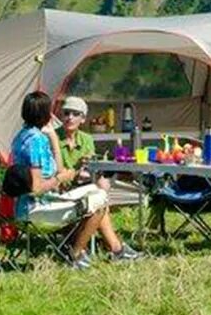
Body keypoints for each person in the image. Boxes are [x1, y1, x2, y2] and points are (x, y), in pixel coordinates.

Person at [10, 92, 140, 268]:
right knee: (99, 200)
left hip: (28, 203)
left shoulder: (22, 136)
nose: (67, 117)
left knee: (99, 192)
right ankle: (76, 254)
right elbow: (37, 187)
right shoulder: (37, 141)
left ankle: (115, 249)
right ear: (45, 114)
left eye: (75, 114)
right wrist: (60, 178)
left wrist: (57, 145)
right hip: (36, 207)